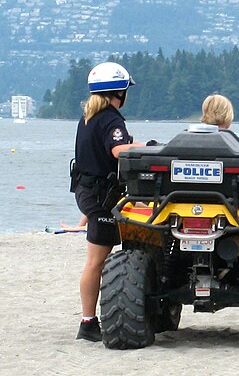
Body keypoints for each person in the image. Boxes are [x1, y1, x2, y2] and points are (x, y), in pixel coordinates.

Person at [71, 62, 145, 341]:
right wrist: (147, 147)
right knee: (96, 262)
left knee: (96, 259)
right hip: (100, 196)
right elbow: (117, 150)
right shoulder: (111, 119)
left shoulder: (90, 116)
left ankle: (90, 320)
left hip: (87, 191)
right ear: (119, 92)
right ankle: (88, 323)